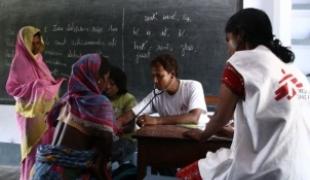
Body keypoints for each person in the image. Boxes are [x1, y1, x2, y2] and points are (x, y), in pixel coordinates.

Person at [177, 8, 310, 180]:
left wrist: (202, 135)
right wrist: (235, 132)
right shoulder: (294, 72)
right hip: (302, 168)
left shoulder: (242, 61)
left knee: (184, 176)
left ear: (240, 35)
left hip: (267, 169)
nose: (228, 50)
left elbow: (220, 117)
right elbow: (279, 128)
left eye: (228, 40)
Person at [31, 54, 115, 179]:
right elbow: (106, 146)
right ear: (99, 79)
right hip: (65, 174)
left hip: (41, 170)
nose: (107, 84)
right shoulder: (99, 102)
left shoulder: (67, 98)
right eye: (106, 78)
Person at [5, 26, 64, 180]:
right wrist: (36, 86)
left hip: (44, 114)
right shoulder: (19, 62)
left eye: (39, 42)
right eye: (33, 43)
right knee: (32, 152)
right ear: (24, 44)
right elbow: (14, 89)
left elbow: (47, 83)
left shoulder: (40, 61)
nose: (37, 46)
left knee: (46, 151)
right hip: (29, 116)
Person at [117, 54, 209, 130]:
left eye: (160, 76)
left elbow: (193, 118)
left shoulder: (193, 86)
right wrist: (117, 123)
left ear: (172, 74)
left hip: (198, 137)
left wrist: (156, 120)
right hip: (173, 137)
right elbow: (132, 113)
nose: (155, 81)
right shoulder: (156, 94)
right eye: (153, 76)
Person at [103, 66, 138, 178]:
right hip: (106, 139)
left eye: (112, 84)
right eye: (106, 83)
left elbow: (131, 127)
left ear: (120, 84)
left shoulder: (128, 99)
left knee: (109, 153)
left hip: (126, 140)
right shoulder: (102, 98)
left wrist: (115, 130)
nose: (107, 87)